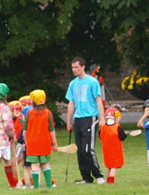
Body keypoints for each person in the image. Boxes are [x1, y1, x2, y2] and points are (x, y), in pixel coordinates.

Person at [65, 56, 106, 184]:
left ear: (83, 67)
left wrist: (102, 118)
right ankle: (86, 178)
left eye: (76, 67)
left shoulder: (92, 82)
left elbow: (98, 100)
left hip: (90, 117)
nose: (74, 70)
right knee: (79, 150)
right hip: (78, 118)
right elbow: (71, 103)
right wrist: (68, 121)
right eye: (72, 68)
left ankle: (98, 175)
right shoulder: (73, 84)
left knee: (87, 149)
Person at [23, 89, 58, 189]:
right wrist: (54, 143)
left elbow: (24, 130)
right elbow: (52, 130)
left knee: (34, 164)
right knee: (45, 163)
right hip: (45, 144)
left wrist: (26, 141)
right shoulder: (48, 113)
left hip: (32, 144)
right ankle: (49, 185)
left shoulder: (28, 113)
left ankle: (36, 186)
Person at [99, 107, 127, 184]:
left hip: (106, 150)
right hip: (115, 150)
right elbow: (122, 137)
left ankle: (108, 181)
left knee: (109, 166)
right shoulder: (117, 127)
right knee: (114, 167)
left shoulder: (103, 127)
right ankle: (111, 182)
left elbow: (100, 137)